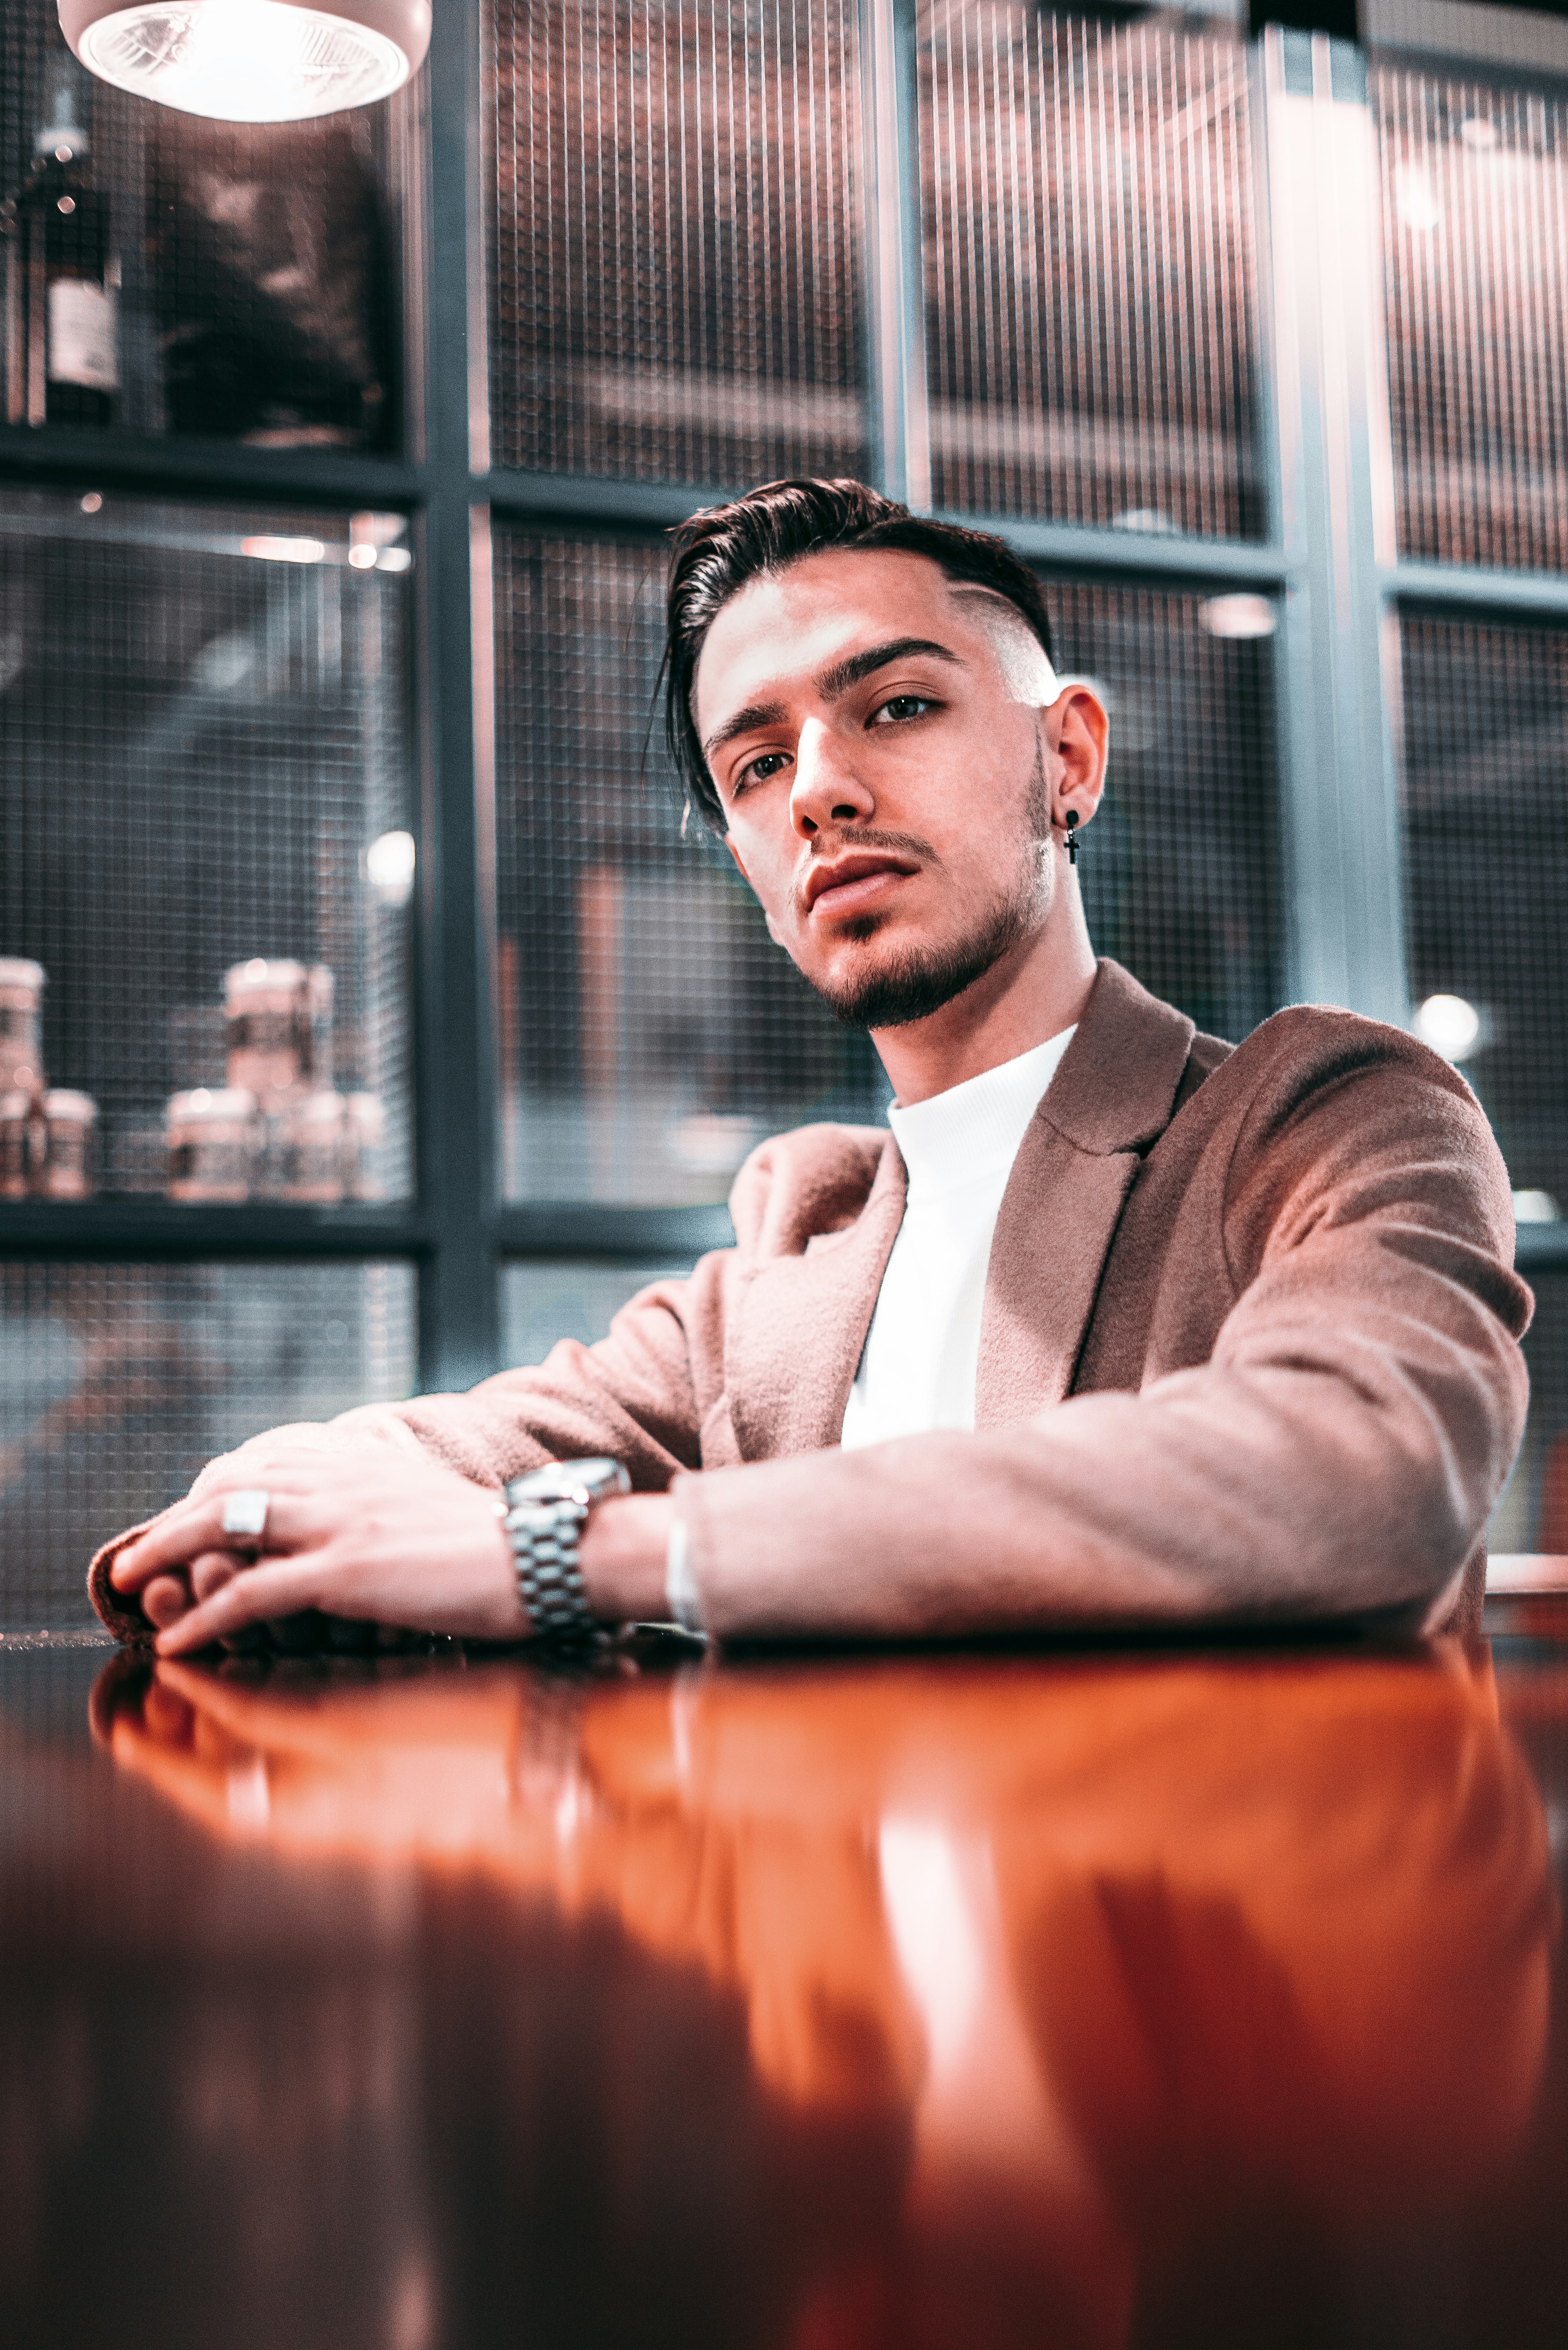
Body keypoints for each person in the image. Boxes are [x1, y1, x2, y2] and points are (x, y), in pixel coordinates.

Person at [94, 479, 1531, 1656]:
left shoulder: (1326, 1119)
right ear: (745, 855)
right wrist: (263, 1520)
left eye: (897, 706)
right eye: (757, 765)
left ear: (1070, 757)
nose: (822, 789)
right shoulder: (796, 1253)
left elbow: (1361, 1473)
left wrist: (574, 1554)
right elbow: (355, 1473)